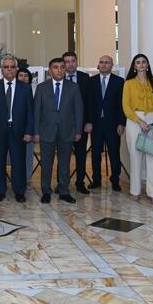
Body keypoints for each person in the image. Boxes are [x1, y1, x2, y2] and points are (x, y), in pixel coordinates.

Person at [34, 57, 83, 205]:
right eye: (55, 67)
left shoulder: (73, 87)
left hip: (67, 131)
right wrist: (36, 132)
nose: (59, 70)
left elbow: (78, 110)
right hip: (46, 131)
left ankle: (64, 191)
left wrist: (78, 131)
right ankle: (46, 191)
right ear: (50, 70)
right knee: (46, 164)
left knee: (64, 164)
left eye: (62, 67)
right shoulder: (42, 87)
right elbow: (37, 111)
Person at [0, 55, 34, 202]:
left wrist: (28, 131)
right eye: (6, 67)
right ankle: (0, 191)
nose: (9, 70)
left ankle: (19, 191)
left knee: (18, 161)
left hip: (18, 131)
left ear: (16, 69)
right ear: (2, 70)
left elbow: (30, 112)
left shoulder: (25, 88)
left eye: (12, 67)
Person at [122, 53, 153, 203]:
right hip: (134, 120)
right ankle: (135, 191)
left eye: (143, 62)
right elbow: (126, 106)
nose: (141, 64)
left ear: (147, 65)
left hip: (152, 119)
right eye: (138, 62)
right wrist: (139, 121)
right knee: (135, 157)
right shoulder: (128, 83)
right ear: (134, 66)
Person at [84, 55, 126, 191]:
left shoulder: (119, 81)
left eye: (107, 62)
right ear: (98, 64)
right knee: (95, 154)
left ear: (112, 65)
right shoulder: (91, 81)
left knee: (114, 154)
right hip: (96, 124)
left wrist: (121, 123)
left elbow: (122, 104)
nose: (103, 64)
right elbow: (89, 103)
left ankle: (115, 180)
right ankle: (96, 180)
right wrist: (89, 121)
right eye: (101, 62)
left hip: (113, 124)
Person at [62, 52, 91, 194]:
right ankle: (62, 183)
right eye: (67, 61)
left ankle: (80, 183)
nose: (70, 64)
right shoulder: (58, 77)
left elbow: (91, 102)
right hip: (62, 125)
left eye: (72, 61)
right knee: (63, 156)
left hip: (81, 124)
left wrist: (89, 122)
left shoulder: (85, 78)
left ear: (76, 62)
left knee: (81, 156)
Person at [17, 67, 37, 177]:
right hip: (14, 129)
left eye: (26, 76)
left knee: (28, 156)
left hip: (29, 129)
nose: (23, 78)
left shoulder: (34, 91)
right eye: (21, 75)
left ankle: (27, 178)